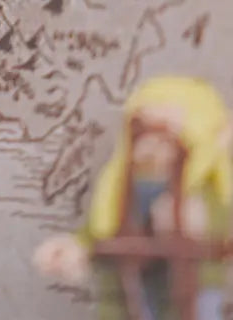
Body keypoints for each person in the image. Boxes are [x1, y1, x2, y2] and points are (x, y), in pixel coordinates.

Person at [33, 76, 233, 320]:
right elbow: (101, 232)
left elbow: (219, 229)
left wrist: (198, 222)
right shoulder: (116, 191)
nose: (152, 148)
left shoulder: (211, 193)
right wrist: (76, 248)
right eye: (141, 133)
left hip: (188, 299)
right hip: (125, 298)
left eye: (167, 137)